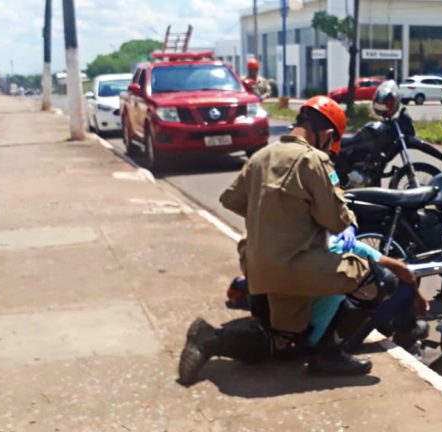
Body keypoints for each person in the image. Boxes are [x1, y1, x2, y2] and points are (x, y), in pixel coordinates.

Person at [178, 96, 422, 384]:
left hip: (256, 269)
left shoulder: (261, 156)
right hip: (292, 267)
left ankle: (210, 338)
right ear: (327, 135)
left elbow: (232, 199)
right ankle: (328, 356)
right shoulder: (313, 160)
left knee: (283, 342)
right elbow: (336, 220)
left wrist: (274, 217)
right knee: (380, 281)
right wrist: (343, 223)